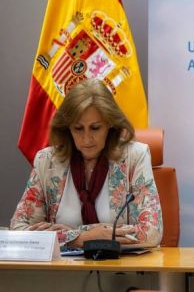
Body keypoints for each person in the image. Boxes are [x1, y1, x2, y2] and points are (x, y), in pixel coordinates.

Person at [11, 79, 163, 248]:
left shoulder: (135, 157)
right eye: (78, 128)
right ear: (67, 127)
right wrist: (81, 237)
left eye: (95, 128)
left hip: (120, 264)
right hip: (64, 265)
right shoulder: (46, 161)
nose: (86, 138)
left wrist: (69, 235)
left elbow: (151, 233)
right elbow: (18, 231)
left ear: (110, 124)